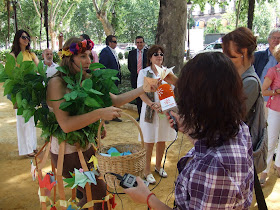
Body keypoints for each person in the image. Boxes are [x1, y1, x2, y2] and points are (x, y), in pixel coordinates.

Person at [124, 52, 254, 209]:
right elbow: (209, 144)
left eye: (184, 93)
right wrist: (188, 129)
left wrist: (148, 198)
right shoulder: (239, 128)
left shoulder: (212, 169)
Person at [47, 37, 157, 209]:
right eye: (83, 56)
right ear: (69, 57)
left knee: (96, 194)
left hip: (85, 148)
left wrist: (145, 88)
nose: (88, 61)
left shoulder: (86, 78)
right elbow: (66, 125)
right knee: (98, 194)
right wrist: (99, 113)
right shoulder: (57, 82)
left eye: (89, 56)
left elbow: (116, 100)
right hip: (66, 153)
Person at [222, 27, 267, 209]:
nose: (226, 61)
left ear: (244, 53)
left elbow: (225, 117)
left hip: (240, 154)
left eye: (230, 56)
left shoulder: (249, 82)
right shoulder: (236, 77)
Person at [137, 45, 176, 184]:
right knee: (149, 141)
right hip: (149, 111)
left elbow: (171, 92)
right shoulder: (144, 73)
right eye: (156, 54)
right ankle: (146, 171)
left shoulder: (167, 73)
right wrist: (152, 104)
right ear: (150, 57)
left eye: (161, 54)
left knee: (161, 139)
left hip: (163, 111)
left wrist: (163, 106)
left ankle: (158, 166)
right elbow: (140, 92)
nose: (159, 56)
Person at [10, 29, 39, 157]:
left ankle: (32, 146)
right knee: (22, 120)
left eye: (27, 37)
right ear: (17, 39)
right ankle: (26, 149)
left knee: (31, 119)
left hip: (31, 89)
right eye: (23, 37)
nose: (26, 39)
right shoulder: (13, 56)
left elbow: (39, 69)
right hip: (19, 90)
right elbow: (10, 75)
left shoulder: (31, 54)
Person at [260, 43, 280, 185]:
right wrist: (276, 92)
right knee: (271, 140)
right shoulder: (273, 71)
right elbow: (263, 91)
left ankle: (278, 165)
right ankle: (264, 171)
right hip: (275, 109)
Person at [99, 35, 122, 122]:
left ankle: (114, 116)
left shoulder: (113, 51)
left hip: (115, 78)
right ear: (109, 42)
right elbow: (103, 67)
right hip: (109, 80)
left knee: (114, 97)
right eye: (114, 41)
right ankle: (106, 116)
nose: (116, 43)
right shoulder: (105, 51)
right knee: (108, 97)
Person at [254, 28, 280, 102]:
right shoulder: (257, 56)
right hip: (259, 99)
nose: (276, 40)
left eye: (279, 38)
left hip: (276, 101)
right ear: (268, 39)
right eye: (274, 37)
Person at [128, 36, 148, 121]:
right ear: (135, 43)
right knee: (138, 98)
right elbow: (130, 66)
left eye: (141, 42)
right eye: (138, 42)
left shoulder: (148, 53)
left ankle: (147, 116)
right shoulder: (131, 53)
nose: (139, 44)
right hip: (135, 79)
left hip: (147, 79)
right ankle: (140, 116)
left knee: (147, 97)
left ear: (144, 43)